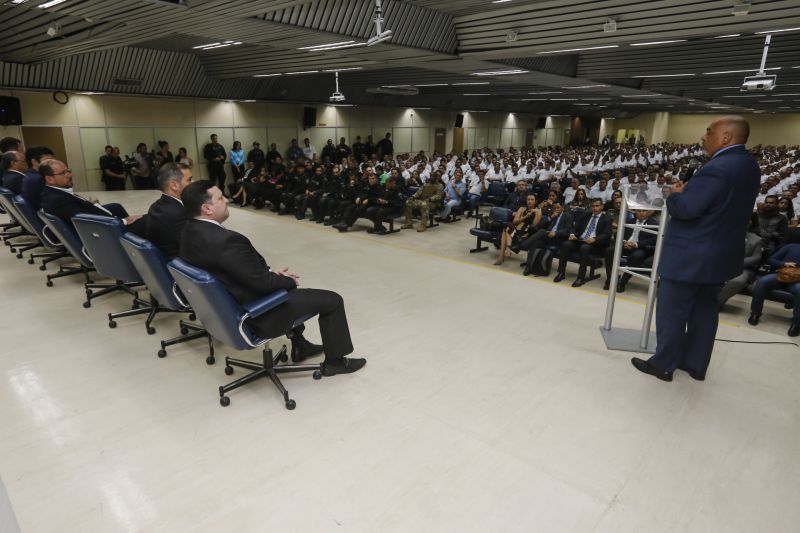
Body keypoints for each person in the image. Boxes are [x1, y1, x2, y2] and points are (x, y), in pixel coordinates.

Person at [179, 180, 366, 374]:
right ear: (206, 208)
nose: (226, 200)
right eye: (220, 198)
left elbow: (233, 270)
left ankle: (301, 345)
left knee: (291, 290)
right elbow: (263, 285)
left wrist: (266, 273)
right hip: (258, 312)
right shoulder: (226, 241)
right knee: (332, 300)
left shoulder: (189, 231)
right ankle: (335, 363)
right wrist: (287, 281)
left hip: (230, 305)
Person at [632, 116, 760, 382]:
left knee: (672, 311)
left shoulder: (717, 168)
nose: (703, 136)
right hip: (720, 256)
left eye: (709, 131)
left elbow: (687, 210)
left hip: (691, 255)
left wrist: (675, 195)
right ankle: (695, 364)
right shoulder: (748, 165)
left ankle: (664, 364)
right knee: (704, 310)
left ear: (726, 137)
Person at [39, 159, 146, 235]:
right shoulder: (58, 200)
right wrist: (124, 221)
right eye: (63, 173)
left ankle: (130, 234)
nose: (70, 175)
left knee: (116, 207)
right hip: (101, 233)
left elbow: (75, 210)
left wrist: (91, 204)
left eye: (68, 171)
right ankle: (131, 238)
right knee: (146, 220)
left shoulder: (52, 193)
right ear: (50, 179)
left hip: (97, 225)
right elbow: (85, 220)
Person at [553, 198, 611, 287]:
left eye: (597, 206)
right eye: (593, 206)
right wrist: (572, 234)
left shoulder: (606, 219)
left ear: (602, 206)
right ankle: (561, 272)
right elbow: (575, 227)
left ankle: (580, 277)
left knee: (584, 248)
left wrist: (595, 238)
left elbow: (607, 234)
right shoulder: (586, 215)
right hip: (581, 240)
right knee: (566, 244)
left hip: (594, 244)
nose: (595, 208)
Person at [748, 243, 800, 337]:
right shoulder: (791, 247)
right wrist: (783, 264)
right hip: (780, 276)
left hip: (797, 281)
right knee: (762, 282)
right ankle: (755, 313)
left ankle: (796, 323)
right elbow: (770, 259)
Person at [145, 163, 193, 260]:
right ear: (174, 186)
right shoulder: (179, 214)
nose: (194, 182)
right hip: (180, 268)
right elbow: (196, 247)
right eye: (189, 180)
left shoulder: (156, 206)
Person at [602, 209, 658, 292]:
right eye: (639, 211)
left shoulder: (654, 224)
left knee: (637, 256)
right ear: (635, 212)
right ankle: (611, 279)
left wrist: (636, 244)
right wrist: (624, 241)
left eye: (644, 211)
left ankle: (623, 282)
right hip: (625, 245)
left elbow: (654, 240)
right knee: (609, 251)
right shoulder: (630, 221)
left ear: (648, 212)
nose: (641, 212)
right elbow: (617, 234)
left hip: (640, 248)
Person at [717, 215, 763, 307]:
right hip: (722, 265)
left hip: (744, 268)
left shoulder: (757, 239)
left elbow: (756, 257)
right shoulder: (726, 234)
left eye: (748, 220)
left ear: (751, 223)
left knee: (738, 281)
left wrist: (737, 263)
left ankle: (715, 304)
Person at [520, 202, 572, 276]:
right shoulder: (553, 215)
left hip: (557, 238)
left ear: (562, 208)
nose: (556, 209)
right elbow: (540, 224)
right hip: (548, 236)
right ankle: (528, 266)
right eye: (555, 208)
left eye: (558, 208)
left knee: (541, 232)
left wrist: (555, 233)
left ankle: (524, 245)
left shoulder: (567, 216)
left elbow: (567, 230)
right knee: (535, 242)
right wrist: (551, 217)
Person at [494, 194, 542, 266]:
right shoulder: (522, 209)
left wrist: (537, 213)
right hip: (517, 228)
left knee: (506, 230)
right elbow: (515, 221)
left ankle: (503, 255)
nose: (530, 201)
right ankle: (507, 249)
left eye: (532, 200)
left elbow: (534, 224)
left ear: (535, 201)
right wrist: (525, 216)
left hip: (526, 231)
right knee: (507, 227)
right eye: (528, 199)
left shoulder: (538, 211)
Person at [21, 146, 54, 211]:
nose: (52, 164)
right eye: (48, 161)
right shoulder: (38, 179)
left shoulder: (30, 175)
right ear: (34, 162)